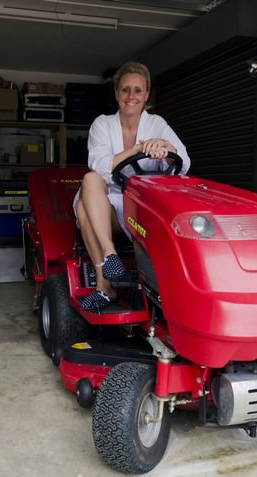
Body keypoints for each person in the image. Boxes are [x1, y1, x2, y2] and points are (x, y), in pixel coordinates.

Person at [73, 61, 191, 311]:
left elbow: (184, 162)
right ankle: (109, 259)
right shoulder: (102, 124)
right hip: (108, 204)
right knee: (89, 183)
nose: (131, 96)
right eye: (125, 90)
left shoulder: (157, 124)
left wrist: (164, 148)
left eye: (137, 90)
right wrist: (136, 150)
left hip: (144, 206)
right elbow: (99, 165)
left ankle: (110, 285)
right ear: (117, 93)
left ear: (146, 94)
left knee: (84, 208)